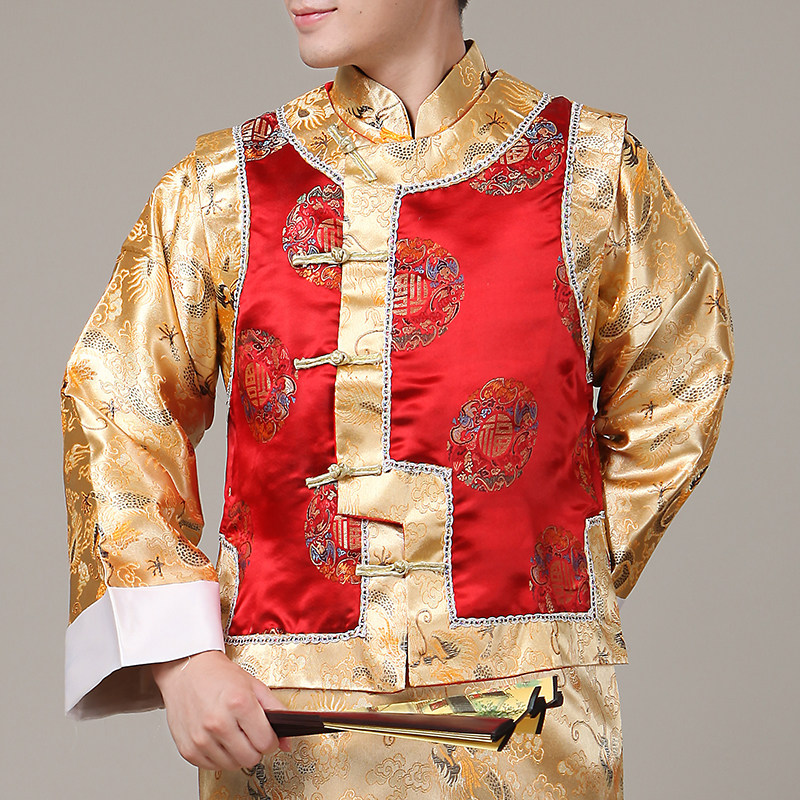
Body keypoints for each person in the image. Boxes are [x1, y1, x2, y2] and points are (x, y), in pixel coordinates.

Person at [60, 1, 734, 797]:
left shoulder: (591, 172)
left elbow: (680, 376)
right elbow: (118, 403)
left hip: (532, 722)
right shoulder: (224, 188)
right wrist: (184, 658)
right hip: (283, 721)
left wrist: (558, 566)